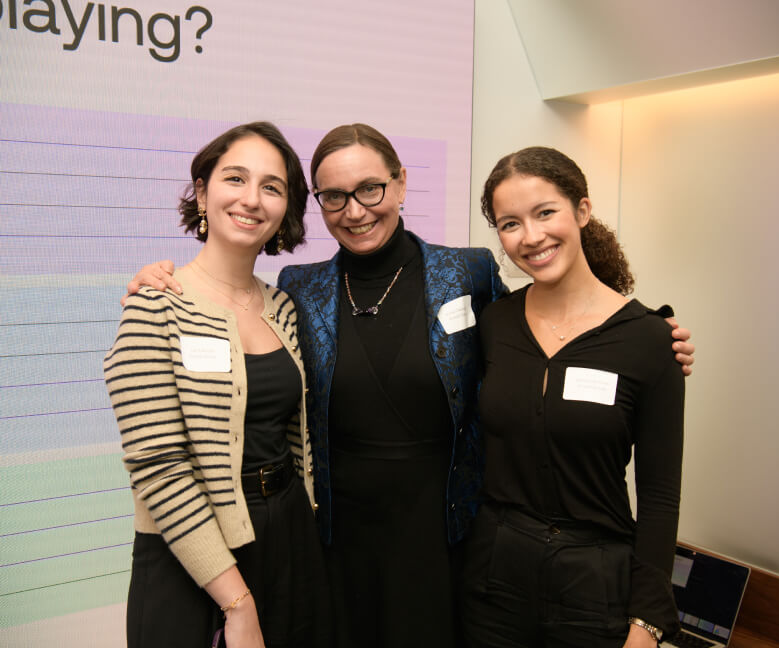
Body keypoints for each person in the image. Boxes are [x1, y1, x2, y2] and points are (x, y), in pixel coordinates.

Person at [124, 124, 695, 647]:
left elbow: (544, 329)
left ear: (401, 184)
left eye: (371, 188)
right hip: (333, 539)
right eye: (334, 197)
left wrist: (641, 335)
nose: (356, 210)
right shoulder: (298, 288)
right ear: (318, 205)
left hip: (445, 534)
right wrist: (158, 276)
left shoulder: (466, 273)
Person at [103, 122, 329, 648]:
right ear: (202, 191)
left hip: (287, 538)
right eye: (235, 179)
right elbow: (158, 468)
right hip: (190, 554)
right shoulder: (155, 305)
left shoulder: (284, 307)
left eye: (272, 187)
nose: (252, 199)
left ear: (285, 210)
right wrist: (237, 601)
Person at [460, 146, 685, 648]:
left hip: (595, 590)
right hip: (492, 586)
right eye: (510, 223)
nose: (531, 236)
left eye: (545, 213)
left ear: (582, 211)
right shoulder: (494, 324)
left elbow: (659, 497)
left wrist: (646, 624)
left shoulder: (650, 340)